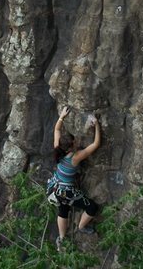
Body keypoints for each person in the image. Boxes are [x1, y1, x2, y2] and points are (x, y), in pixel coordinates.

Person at [52, 106, 101, 250]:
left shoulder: (57, 149)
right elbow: (96, 144)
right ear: (71, 147)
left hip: (56, 188)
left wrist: (61, 117)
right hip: (67, 191)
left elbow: (56, 130)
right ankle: (81, 226)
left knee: (63, 209)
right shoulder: (75, 157)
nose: (76, 143)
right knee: (92, 207)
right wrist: (97, 125)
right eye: (74, 143)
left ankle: (61, 238)